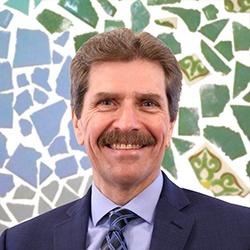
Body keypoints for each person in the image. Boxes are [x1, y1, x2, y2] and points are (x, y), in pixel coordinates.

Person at [0, 28, 249, 250]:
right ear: (77, 123)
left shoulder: (241, 234)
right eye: (107, 102)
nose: (128, 123)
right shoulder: (17, 243)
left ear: (171, 123)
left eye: (148, 103)